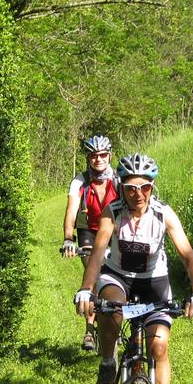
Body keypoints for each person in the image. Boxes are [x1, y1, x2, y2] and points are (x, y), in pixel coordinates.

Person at [74, 152, 193, 384]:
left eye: (144, 187)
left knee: (159, 345)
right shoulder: (113, 212)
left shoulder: (163, 214)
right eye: (131, 187)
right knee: (111, 310)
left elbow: (187, 256)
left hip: (153, 282)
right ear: (122, 187)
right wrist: (85, 289)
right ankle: (108, 364)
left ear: (152, 187)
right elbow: (96, 255)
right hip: (118, 277)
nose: (138, 194)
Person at [62, 134, 119, 351]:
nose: (99, 159)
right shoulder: (80, 181)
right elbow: (70, 212)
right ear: (88, 158)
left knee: (117, 276)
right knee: (92, 277)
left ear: (109, 155)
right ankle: (89, 329)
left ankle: (118, 318)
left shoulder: (118, 179)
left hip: (113, 231)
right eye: (94, 156)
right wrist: (68, 239)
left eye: (103, 155)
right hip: (88, 232)